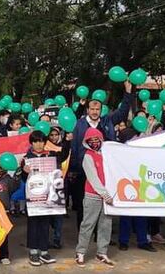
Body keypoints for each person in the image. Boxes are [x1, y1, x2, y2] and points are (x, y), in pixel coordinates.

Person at [70, 81, 132, 229]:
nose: (95, 111)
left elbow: (123, 111)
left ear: (101, 109)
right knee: (82, 203)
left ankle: (101, 236)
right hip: (84, 171)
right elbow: (76, 147)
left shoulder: (107, 121)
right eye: (92, 108)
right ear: (88, 110)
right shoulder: (80, 124)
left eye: (97, 109)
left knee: (104, 201)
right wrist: (76, 168)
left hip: (105, 169)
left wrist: (128, 92)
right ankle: (83, 233)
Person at [75, 128, 114, 268]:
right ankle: (80, 252)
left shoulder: (106, 155)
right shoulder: (88, 156)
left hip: (108, 196)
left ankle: (102, 252)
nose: (94, 143)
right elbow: (93, 178)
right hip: (93, 195)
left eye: (97, 140)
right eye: (91, 141)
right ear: (87, 142)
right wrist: (104, 194)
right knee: (88, 224)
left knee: (106, 225)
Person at [21, 131, 57, 266]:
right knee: (33, 223)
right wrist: (24, 171)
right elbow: (23, 179)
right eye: (36, 141)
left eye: (41, 141)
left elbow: (56, 174)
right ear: (31, 143)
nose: (39, 144)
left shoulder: (50, 156)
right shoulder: (26, 158)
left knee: (45, 222)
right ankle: (33, 251)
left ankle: (44, 251)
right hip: (33, 196)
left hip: (47, 195)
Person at [45, 127, 71, 248]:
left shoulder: (63, 147)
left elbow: (65, 156)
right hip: (46, 184)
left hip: (59, 184)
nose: (54, 137)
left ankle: (57, 239)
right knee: (47, 214)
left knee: (58, 214)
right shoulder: (44, 148)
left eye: (56, 134)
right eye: (51, 135)